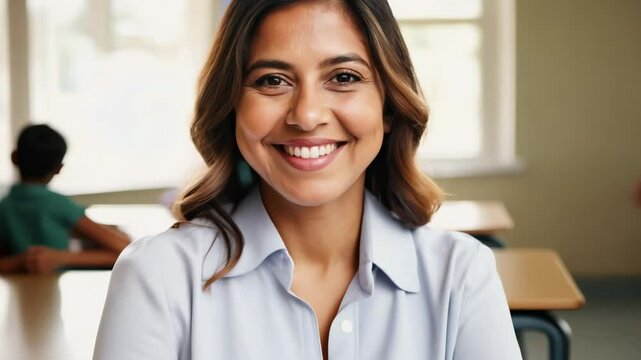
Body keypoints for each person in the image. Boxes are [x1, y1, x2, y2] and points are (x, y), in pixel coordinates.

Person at [93, 1, 522, 359]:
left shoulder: (461, 274)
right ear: (232, 108)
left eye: (343, 77)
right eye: (272, 81)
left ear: (389, 106)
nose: (307, 115)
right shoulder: (158, 275)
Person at [0, 124, 130, 274]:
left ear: (14, 157)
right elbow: (126, 248)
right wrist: (61, 258)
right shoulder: (57, 205)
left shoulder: (5, 206)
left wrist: (19, 262)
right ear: (59, 168)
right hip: (57, 290)